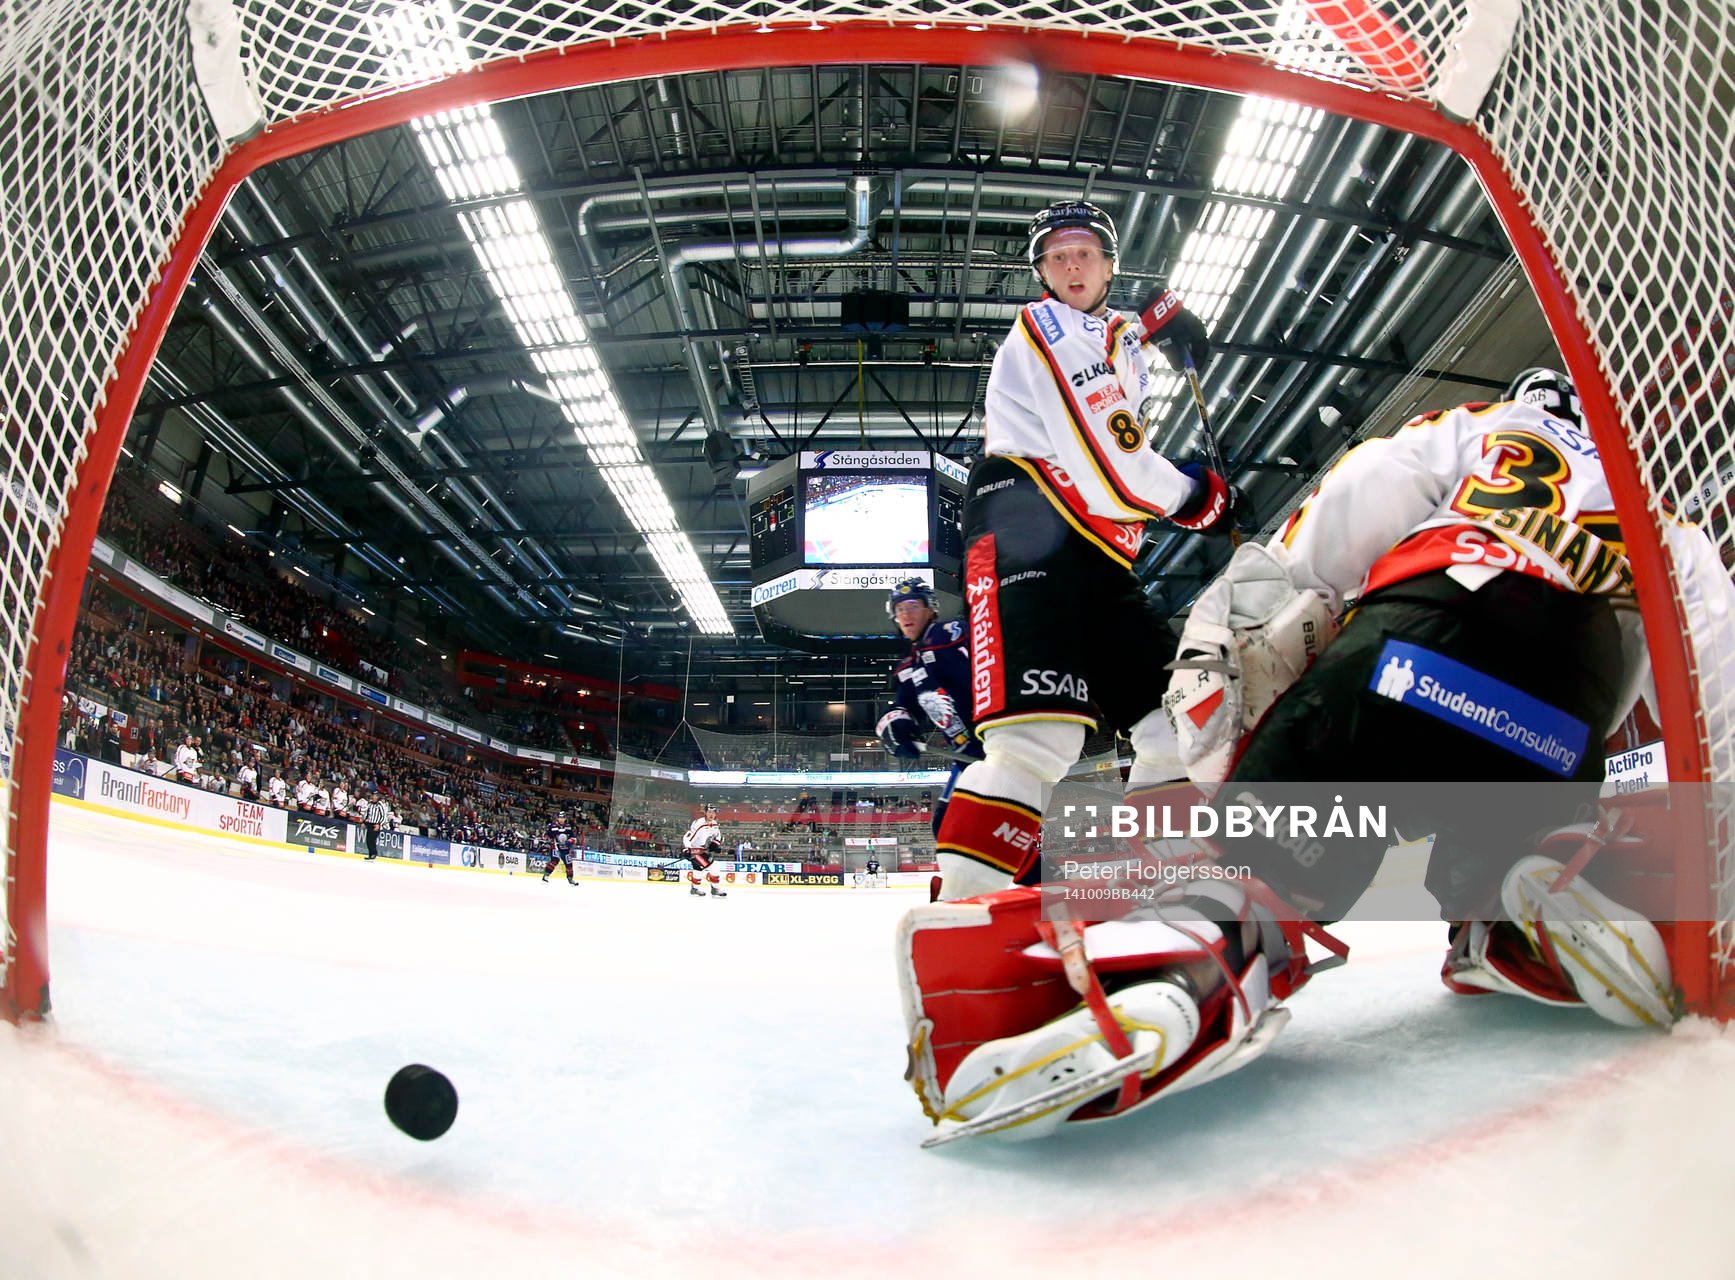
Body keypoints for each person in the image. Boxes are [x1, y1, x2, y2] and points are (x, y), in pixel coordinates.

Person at [897, 366, 1733, 1143]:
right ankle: (1536, 897)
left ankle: (1196, 960)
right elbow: (1710, 696)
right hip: (1561, 718)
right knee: (1500, 864)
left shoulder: (1467, 427)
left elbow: (1306, 562)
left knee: (1269, 863)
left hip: (1422, 643)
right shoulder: (1662, 513)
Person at [925, 198, 1233, 901]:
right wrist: (1193, 499)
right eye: (1057, 254)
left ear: (1107, 264)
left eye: (1085, 252)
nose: (1071, 263)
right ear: (1040, 271)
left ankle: (1171, 881)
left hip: (1100, 549)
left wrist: (1163, 333)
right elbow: (1106, 453)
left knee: (1173, 723)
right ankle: (963, 908)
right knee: (1036, 741)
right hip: (1026, 522)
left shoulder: (1112, 334)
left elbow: (1119, 364)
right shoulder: (1045, 326)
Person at [874, 578, 983, 842]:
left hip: (997, 745)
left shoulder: (950, 633)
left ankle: (1037, 876)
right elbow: (904, 707)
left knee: (978, 825)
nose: (905, 614)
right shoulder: (909, 666)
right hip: (968, 759)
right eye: (899, 609)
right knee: (947, 828)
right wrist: (895, 727)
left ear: (931, 609)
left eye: (912, 605)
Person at [682, 804, 728, 898]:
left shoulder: (714, 823)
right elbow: (687, 837)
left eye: (713, 812)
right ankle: (715, 889)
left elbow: (718, 836)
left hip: (703, 851)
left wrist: (715, 844)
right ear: (705, 813)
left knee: (698, 869)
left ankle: (695, 888)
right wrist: (687, 849)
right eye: (709, 812)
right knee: (713, 867)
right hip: (695, 850)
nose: (711, 814)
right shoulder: (699, 823)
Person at [542, 811, 578, 885]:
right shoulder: (552, 826)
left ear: (565, 818)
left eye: (563, 818)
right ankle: (545, 876)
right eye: (560, 817)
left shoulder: (568, 826)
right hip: (555, 846)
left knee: (569, 863)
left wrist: (570, 841)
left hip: (565, 848)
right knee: (555, 860)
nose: (561, 819)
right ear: (557, 818)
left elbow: (573, 837)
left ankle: (570, 879)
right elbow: (546, 835)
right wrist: (546, 837)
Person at [360, 786, 395, 861]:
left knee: (372, 839)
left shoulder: (380, 805)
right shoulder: (370, 804)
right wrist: (363, 822)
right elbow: (367, 814)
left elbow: (383, 816)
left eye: (375, 796)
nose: (374, 797)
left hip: (376, 825)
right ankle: (370, 854)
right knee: (368, 840)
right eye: (373, 795)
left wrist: (379, 824)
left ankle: (374, 854)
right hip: (370, 824)